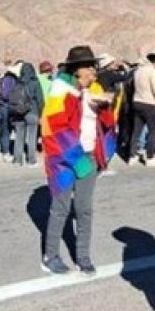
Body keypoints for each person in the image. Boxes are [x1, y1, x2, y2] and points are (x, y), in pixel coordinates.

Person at [40, 46, 117, 277]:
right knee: (60, 208)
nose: (94, 72)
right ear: (76, 70)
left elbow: (105, 124)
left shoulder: (92, 90)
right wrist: (79, 161)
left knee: (84, 209)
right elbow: (55, 130)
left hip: (89, 155)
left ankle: (83, 256)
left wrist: (104, 108)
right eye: (89, 68)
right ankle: (50, 256)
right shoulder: (60, 92)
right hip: (62, 160)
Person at [129, 53, 155, 166]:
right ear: (154, 62)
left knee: (136, 131)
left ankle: (132, 156)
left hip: (137, 102)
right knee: (152, 132)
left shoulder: (137, 72)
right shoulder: (153, 72)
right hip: (150, 104)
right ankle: (149, 157)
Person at [12, 62, 45, 167]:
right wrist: (41, 113)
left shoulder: (17, 82)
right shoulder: (35, 82)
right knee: (32, 137)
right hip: (32, 111)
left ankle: (17, 160)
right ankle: (31, 160)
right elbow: (40, 99)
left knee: (19, 137)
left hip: (18, 112)